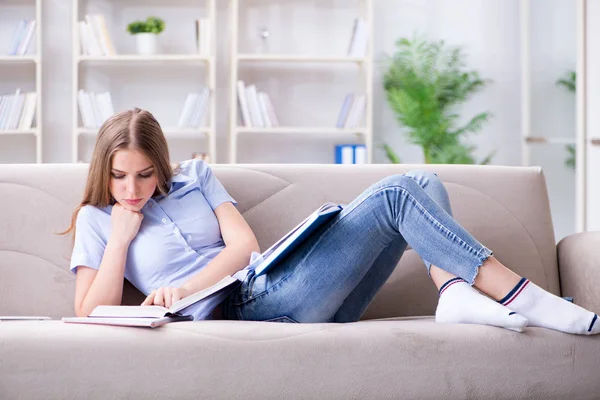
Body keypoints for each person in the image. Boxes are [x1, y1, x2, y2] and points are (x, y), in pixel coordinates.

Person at [62, 108, 599, 335]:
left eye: (144, 175)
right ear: (102, 172)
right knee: (396, 194)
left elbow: (244, 247)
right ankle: (521, 296)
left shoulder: (196, 177)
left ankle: (454, 289)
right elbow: (89, 311)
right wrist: (121, 238)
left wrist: (179, 287)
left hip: (269, 286)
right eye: (119, 177)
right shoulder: (97, 218)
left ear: (162, 163)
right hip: (244, 314)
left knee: (425, 184)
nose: (131, 190)